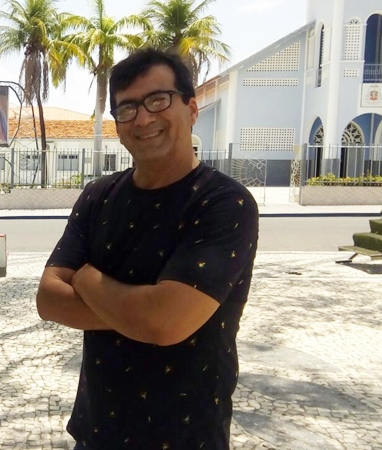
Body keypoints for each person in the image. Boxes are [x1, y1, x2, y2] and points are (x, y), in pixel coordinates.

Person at [35, 48, 259, 449]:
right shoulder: (99, 196)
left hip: (187, 436)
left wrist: (85, 277)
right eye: (127, 108)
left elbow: (164, 323)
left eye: (158, 100)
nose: (142, 118)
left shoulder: (224, 204)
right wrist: (146, 313)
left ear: (191, 108)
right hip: (96, 433)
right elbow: (49, 300)